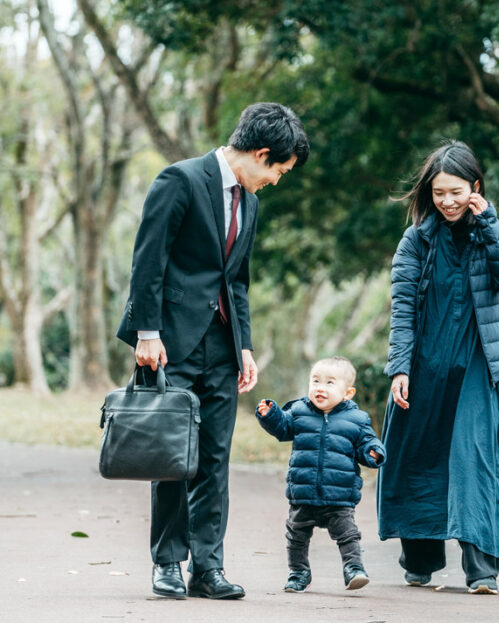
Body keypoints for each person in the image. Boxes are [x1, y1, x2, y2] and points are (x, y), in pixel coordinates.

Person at [116, 102, 309, 600]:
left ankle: (208, 568)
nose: (276, 181)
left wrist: (244, 345)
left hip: (222, 348)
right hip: (171, 343)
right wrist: (146, 332)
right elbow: (148, 260)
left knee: (215, 458)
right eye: (279, 171)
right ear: (261, 154)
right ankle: (167, 563)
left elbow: (236, 280)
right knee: (173, 455)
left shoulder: (250, 200)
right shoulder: (179, 181)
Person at [376, 140, 499, 595]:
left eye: (456, 191)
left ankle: (482, 571)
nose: (447, 201)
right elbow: (402, 310)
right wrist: (399, 368)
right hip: (425, 367)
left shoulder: (489, 230)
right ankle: (420, 560)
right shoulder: (416, 240)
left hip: (479, 367)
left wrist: (490, 222)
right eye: (439, 192)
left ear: (475, 188)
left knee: (472, 460)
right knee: (416, 457)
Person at [255, 356, 385, 593]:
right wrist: (270, 415)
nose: (320, 388)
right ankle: (298, 573)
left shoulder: (357, 419)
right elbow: (283, 429)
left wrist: (374, 452)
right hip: (303, 491)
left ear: (348, 393)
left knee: (348, 534)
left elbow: (368, 442)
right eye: (315, 381)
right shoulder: (299, 411)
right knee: (296, 536)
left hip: (339, 493)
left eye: (329, 383)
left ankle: (354, 568)